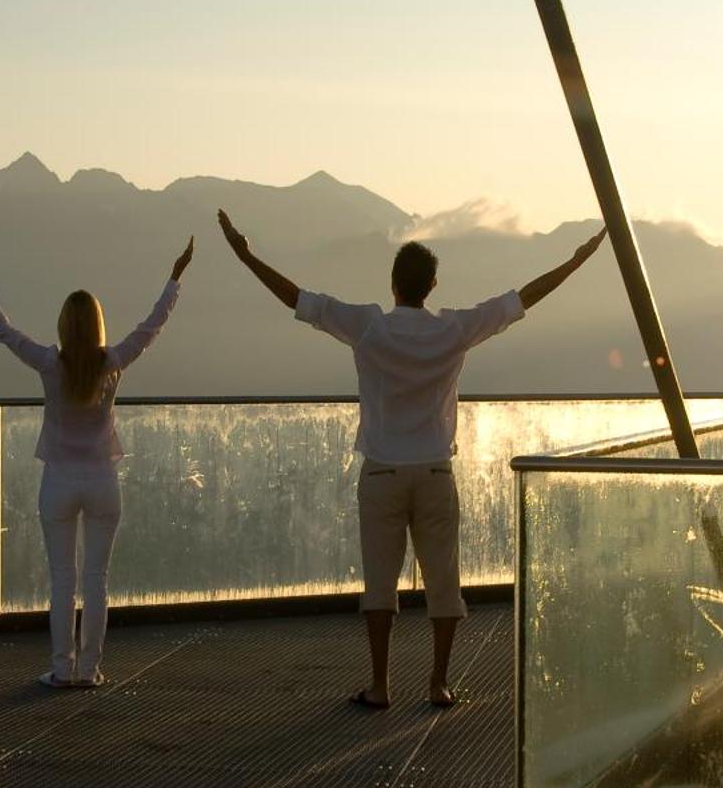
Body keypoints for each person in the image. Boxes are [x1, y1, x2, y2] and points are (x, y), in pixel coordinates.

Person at [217, 209, 605, 708]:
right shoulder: (455, 330)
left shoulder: (367, 327)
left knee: (379, 583)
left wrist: (245, 254)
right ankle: (438, 683)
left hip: (381, 471)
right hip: (435, 471)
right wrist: (574, 262)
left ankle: (380, 685)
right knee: (444, 581)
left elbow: (298, 300)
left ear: (393, 283)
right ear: (433, 285)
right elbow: (520, 299)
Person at [0, 238, 192, 689]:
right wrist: (175, 277)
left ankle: (62, 669)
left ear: (65, 326)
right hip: (104, 481)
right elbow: (152, 325)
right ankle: (90, 671)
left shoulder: (50, 363)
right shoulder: (114, 362)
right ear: (99, 326)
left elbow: (4, 332)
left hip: (59, 483)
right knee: (97, 581)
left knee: (62, 580)